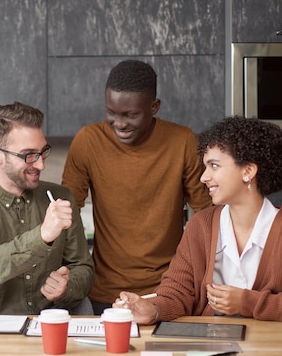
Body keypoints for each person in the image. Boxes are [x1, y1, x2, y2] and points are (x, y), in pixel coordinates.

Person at [113, 116, 282, 325]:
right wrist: (152, 310)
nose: (204, 177)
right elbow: (177, 294)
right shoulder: (201, 226)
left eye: (214, 165)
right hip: (211, 354)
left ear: (248, 171)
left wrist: (247, 302)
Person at [62, 60, 212, 315]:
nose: (119, 123)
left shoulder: (182, 141)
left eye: (130, 115)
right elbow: (66, 211)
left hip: (168, 292)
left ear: (154, 107)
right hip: (105, 293)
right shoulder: (88, 141)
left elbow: (208, 213)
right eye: (112, 112)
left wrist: (197, 277)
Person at [0, 102, 94, 315]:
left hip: (56, 322)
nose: (41, 165)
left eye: (43, 152)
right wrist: (43, 236)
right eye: (28, 155)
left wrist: (67, 287)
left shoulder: (62, 197)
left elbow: (83, 268)